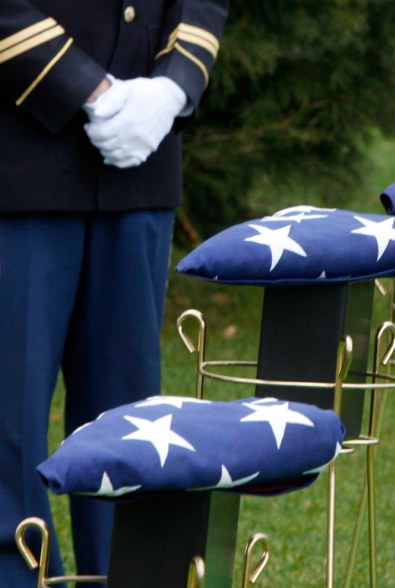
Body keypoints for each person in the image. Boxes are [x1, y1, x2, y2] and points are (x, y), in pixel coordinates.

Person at [0, 1, 227, 585]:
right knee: (8, 428)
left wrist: (172, 89)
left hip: (140, 162)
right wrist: (90, 89)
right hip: (17, 165)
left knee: (127, 421)